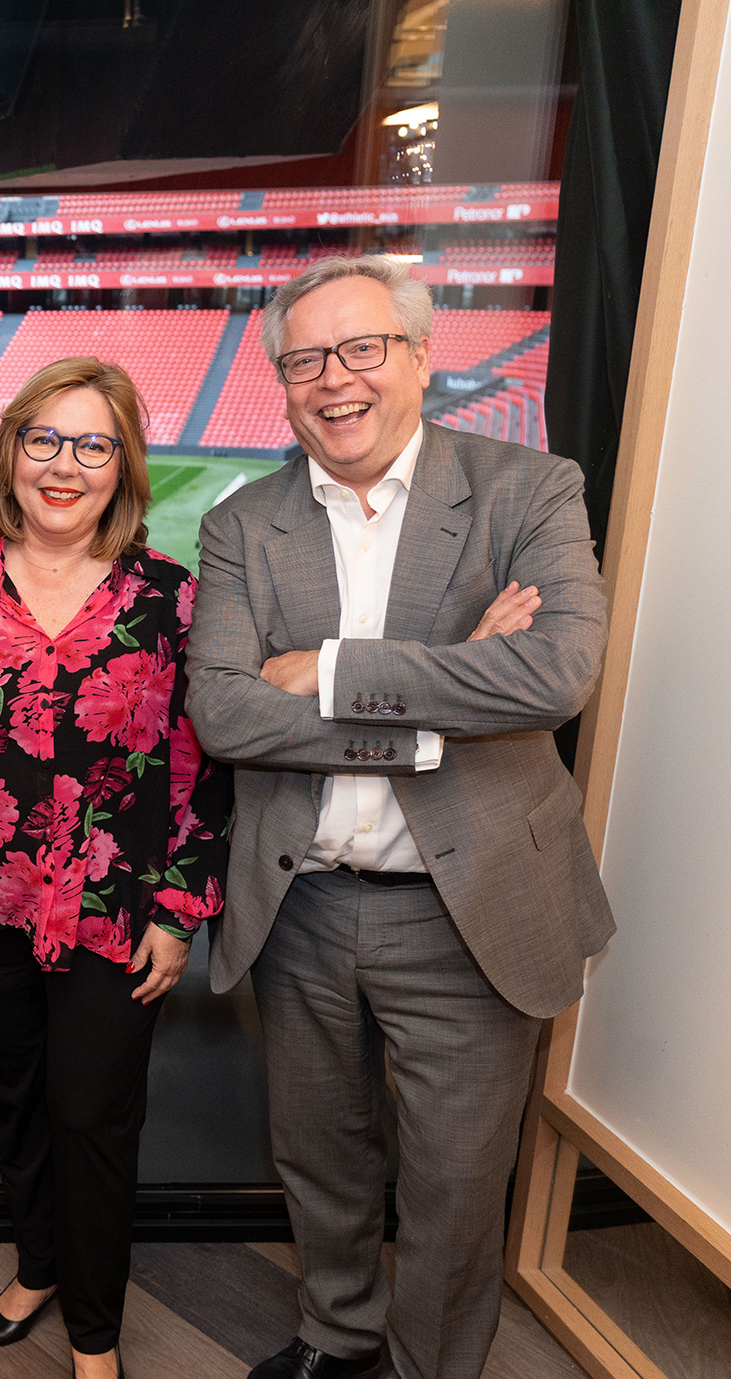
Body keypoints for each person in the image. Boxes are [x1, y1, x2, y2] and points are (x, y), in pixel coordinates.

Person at [184, 255, 614, 1379]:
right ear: (282, 382)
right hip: (303, 902)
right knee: (319, 1158)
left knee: (457, 1184)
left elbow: (554, 674)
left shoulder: (530, 489)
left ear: (421, 357)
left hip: (467, 908)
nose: (335, 379)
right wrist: (441, 701)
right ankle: (337, 1334)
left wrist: (324, 669)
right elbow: (224, 710)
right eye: (304, 360)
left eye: (362, 348)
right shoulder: (243, 522)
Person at [0, 357, 229, 1379]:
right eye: (44, 440)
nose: (64, 466)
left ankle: (94, 1334)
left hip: (117, 911)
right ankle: (35, 1265)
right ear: (10, 452)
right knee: (16, 1095)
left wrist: (178, 909)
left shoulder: (171, 599)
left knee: (91, 1115)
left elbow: (205, 766)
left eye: (93, 444)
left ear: (124, 466)